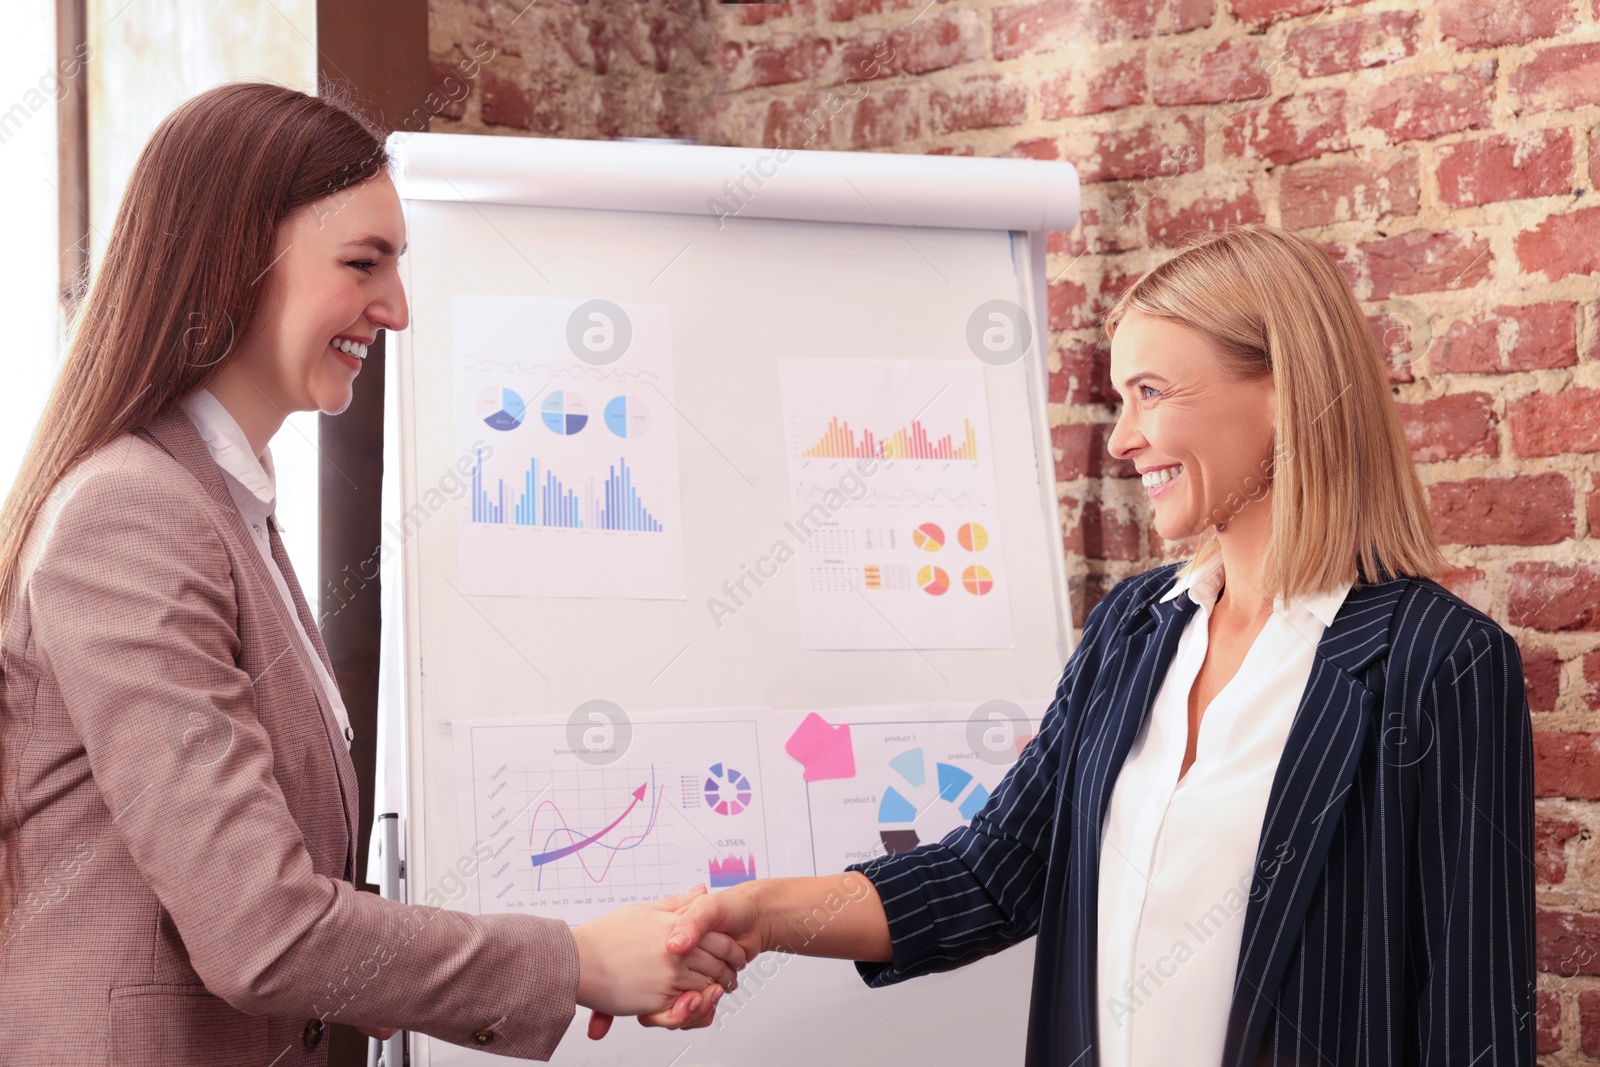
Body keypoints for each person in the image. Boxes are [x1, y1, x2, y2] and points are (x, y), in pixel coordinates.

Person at [647, 225, 1536, 1065]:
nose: (1123, 438)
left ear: (1284, 396)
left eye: (1151, 393)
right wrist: (755, 914)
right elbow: (988, 874)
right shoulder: (1133, 630)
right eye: (1123, 400)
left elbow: (1473, 1020)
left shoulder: (1437, 663)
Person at [0, 83, 739, 1065]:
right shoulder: (133, 515)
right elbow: (263, 931)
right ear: (236, 258)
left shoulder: (225, 506)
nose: (396, 308)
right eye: (363, 263)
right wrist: (574, 962)